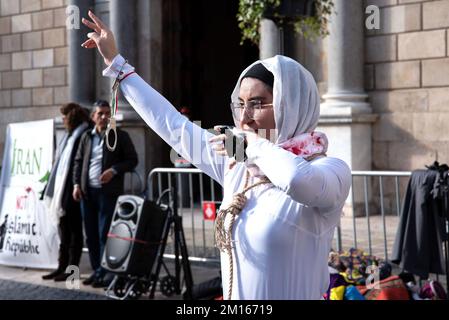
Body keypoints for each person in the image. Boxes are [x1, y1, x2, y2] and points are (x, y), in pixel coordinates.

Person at [81, 11, 351, 299]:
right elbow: (175, 127)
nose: (244, 117)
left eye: (257, 104)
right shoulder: (238, 163)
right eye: (240, 104)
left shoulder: (328, 168)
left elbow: (298, 180)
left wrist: (252, 145)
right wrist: (118, 66)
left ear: (291, 106)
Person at [72, 99, 138, 287]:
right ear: (93, 117)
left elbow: (132, 160)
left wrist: (114, 170)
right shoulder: (86, 137)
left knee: (104, 234)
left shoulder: (120, 136)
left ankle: (106, 272)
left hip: (108, 194)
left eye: (107, 113)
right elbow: (78, 161)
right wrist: (76, 184)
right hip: (87, 193)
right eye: (100, 113)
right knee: (91, 236)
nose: (104, 117)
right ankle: (97, 271)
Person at [42, 103, 91, 281]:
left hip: (73, 189)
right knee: (64, 231)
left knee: (74, 231)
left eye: (64, 116)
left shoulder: (83, 134)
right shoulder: (69, 135)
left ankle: (72, 270)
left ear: (71, 117)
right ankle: (61, 266)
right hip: (63, 189)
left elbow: (77, 162)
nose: (62, 120)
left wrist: (76, 184)